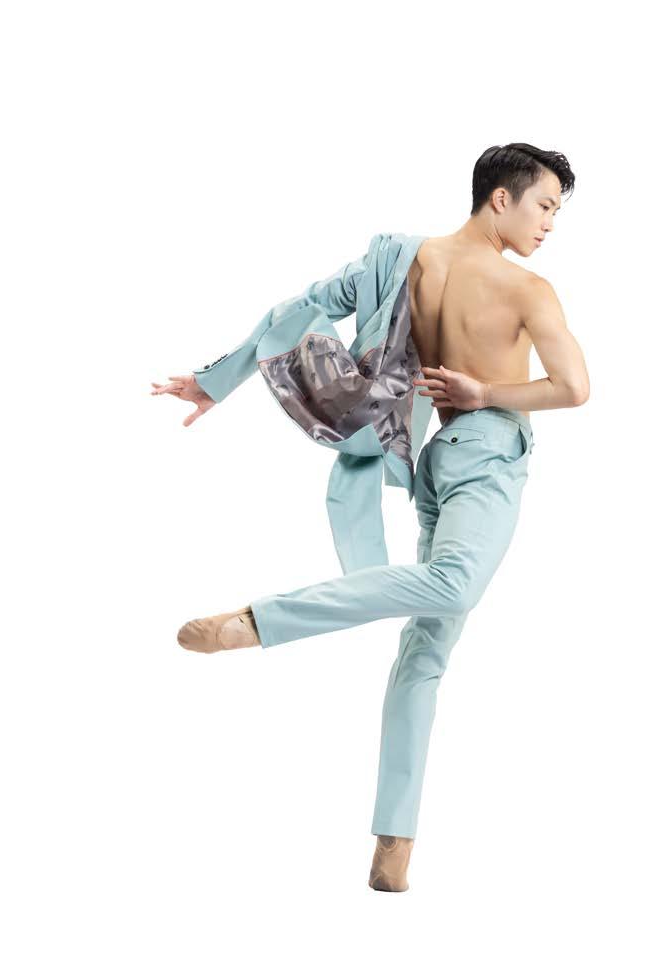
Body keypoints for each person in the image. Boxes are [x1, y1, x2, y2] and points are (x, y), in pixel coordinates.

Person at [151, 143, 589, 892]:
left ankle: (394, 843)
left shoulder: (402, 260)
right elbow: (573, 387)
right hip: (484, 453)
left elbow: (299, 309)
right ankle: (263, 620)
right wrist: (486, 393)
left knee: (424, 656)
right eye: (545, 205)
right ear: (501, 198)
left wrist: (216, 381)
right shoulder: (529, 289)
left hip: (433, 460)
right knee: (451, 585)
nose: (550, 223)